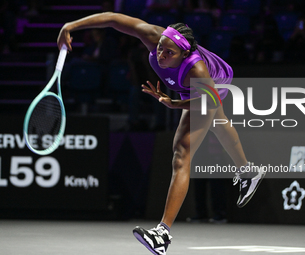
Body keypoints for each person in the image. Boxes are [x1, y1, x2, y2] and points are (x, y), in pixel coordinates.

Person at [57, 12, 266, 255]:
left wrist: (175, 104)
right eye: (160, 48)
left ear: (184, 54)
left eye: (169, 53)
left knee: (181, 153)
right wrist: (70, 24)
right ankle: (248, 172)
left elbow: (211, 101)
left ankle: (162, 233)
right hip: (196, 88)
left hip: (214, 84)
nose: (161, 54)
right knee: (219, 124)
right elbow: (113, 19)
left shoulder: (196, 70)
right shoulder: (153, 36)